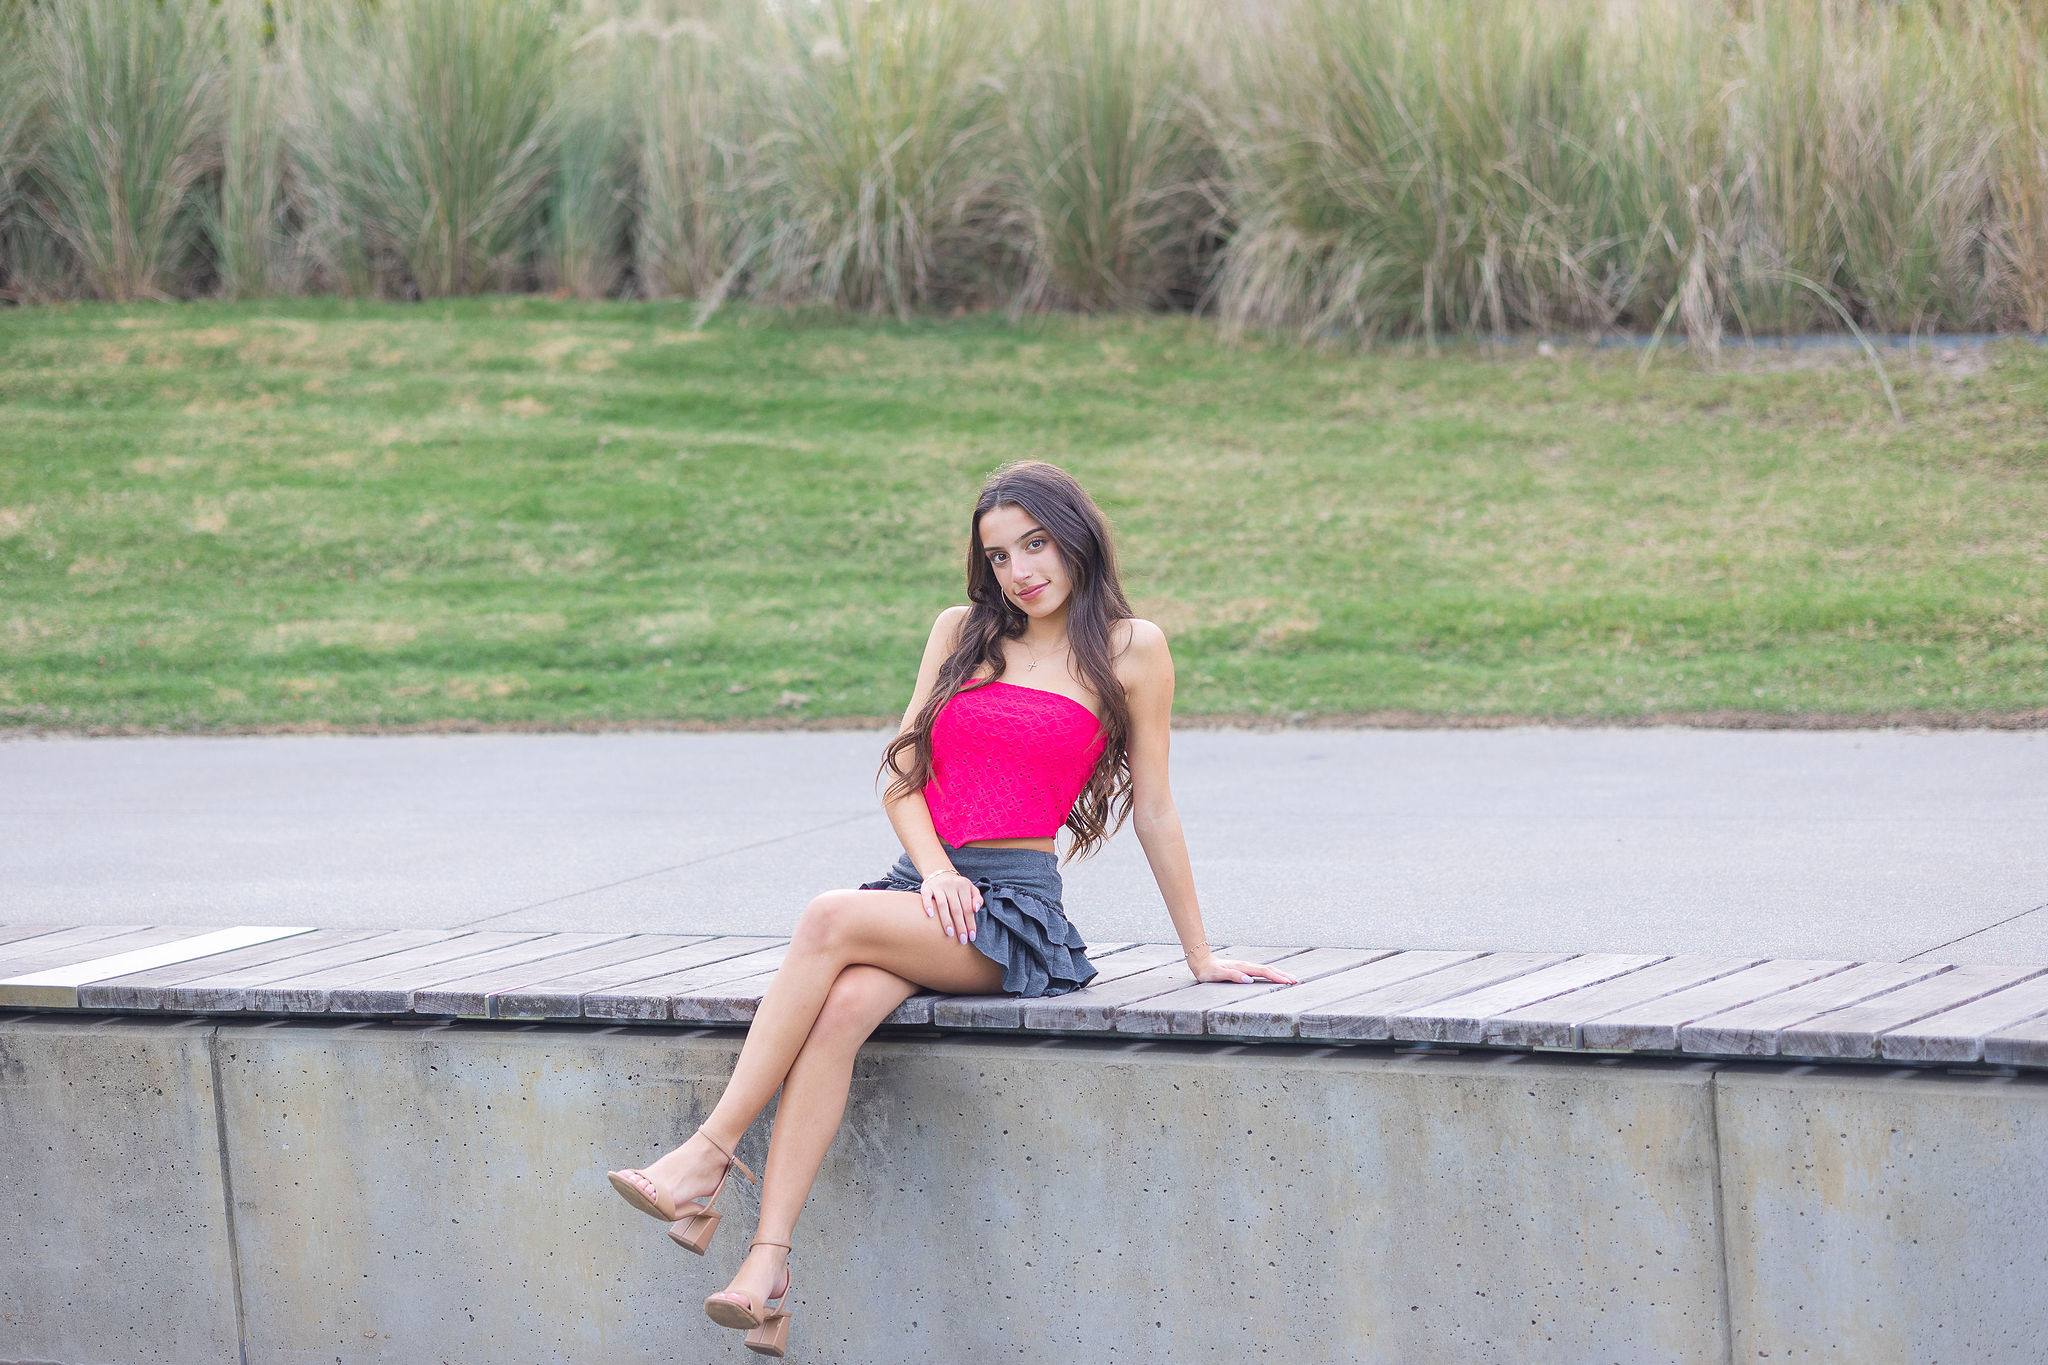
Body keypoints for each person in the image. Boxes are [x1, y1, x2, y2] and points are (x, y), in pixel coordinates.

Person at [606, 459, 1298, 1356]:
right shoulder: (962, 631)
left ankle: (704, 1157)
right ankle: (764, 1267)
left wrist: (1200, 954)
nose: (1020, 571)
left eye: (1035, 544)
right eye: (1000, 555)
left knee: (824, 917)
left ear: (1076, 535)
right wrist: (933, 870)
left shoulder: (1133, 648)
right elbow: (903, 774)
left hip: (1010, 912)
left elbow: (1157, 807)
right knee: (844, 1004)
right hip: (926, 891)